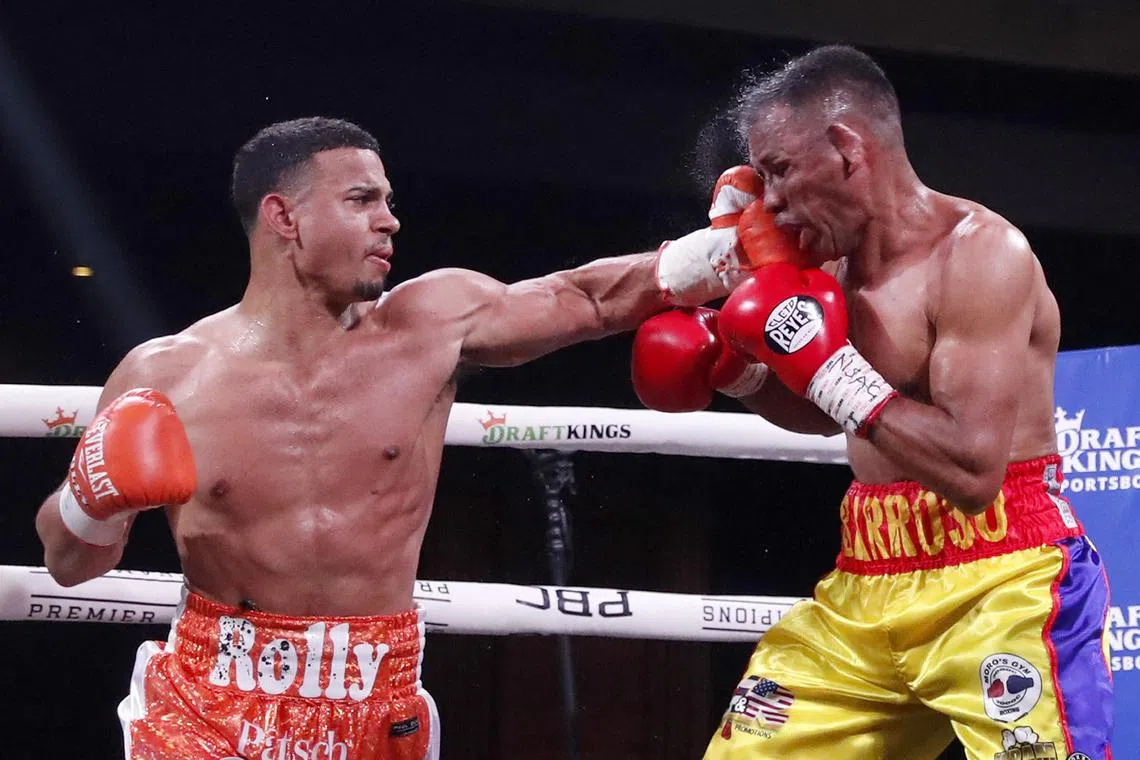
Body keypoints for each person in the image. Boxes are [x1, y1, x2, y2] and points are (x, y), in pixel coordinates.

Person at [33, 116, 793, 759]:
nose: (390, 220)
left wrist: (721, 256)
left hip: (376, 698)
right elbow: (69, 564)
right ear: (283, 217)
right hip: (209, 704)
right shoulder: (165, 373)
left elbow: (583, 298)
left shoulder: (430, 323)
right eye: (361, 199)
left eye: (388, 201)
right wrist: (88, 502)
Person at [631, 46, 1114, 759]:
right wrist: (742, 375)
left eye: (780, 170)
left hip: (1003, 579)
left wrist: (828, 365)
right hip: (867, 577)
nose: (772, 200)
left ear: (846, 149)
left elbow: (973, 472)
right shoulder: (829, 265)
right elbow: (828, 412)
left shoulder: (981, 254)